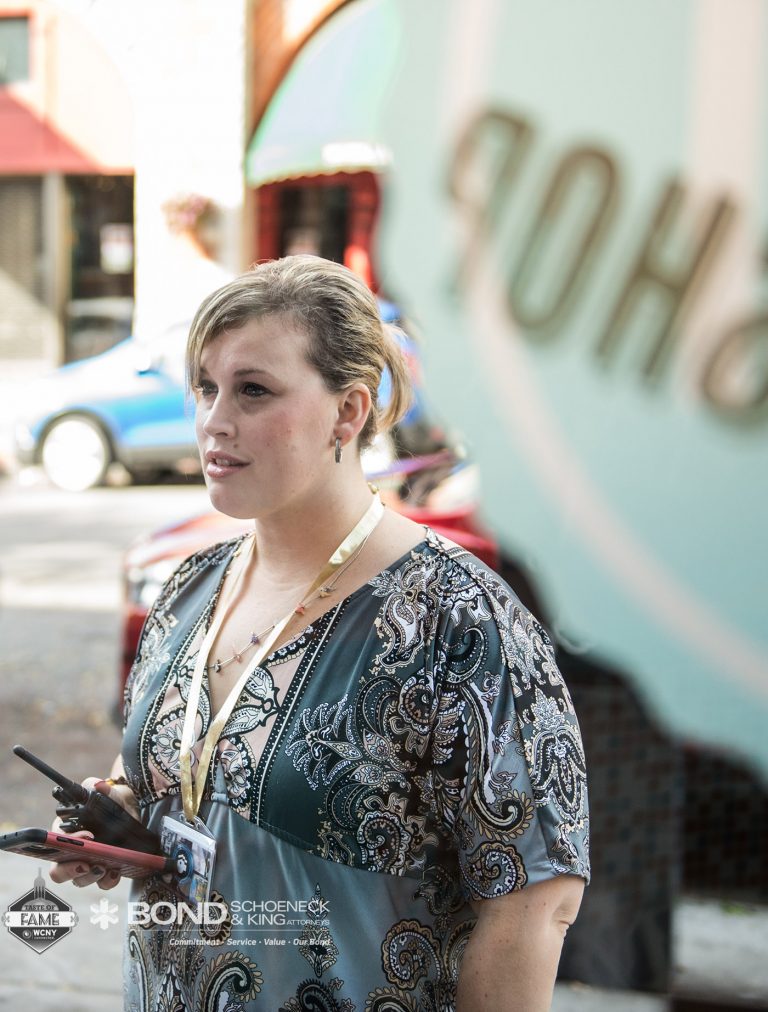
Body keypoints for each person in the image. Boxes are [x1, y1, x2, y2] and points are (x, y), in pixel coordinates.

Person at [51, 255, 590, 1011]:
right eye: (205, 386)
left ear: (348, 412)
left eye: (253, 390)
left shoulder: (457, 619)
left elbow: (535, 899)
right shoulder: (188, 587)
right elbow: (173, 776)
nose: (214, 420)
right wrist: (120, 814)